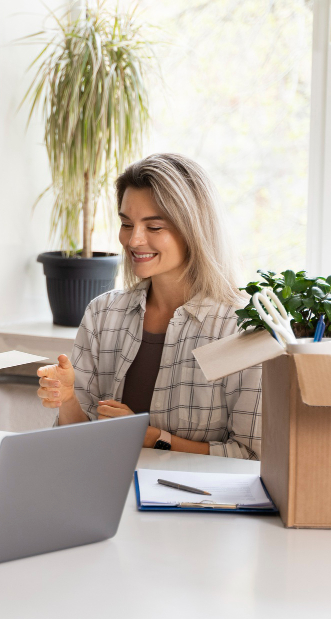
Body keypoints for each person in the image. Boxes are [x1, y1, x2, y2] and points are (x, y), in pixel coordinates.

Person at [36, 153, 261, 459]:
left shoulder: (241, 326)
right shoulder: (103, 314)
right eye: (126, 224)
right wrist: (66, 399)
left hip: (199, 503)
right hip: (109, 494)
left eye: (154, 227)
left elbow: (251, 456)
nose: (134, 240)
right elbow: (80, 444)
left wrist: (151, 437)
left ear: (194, 230)